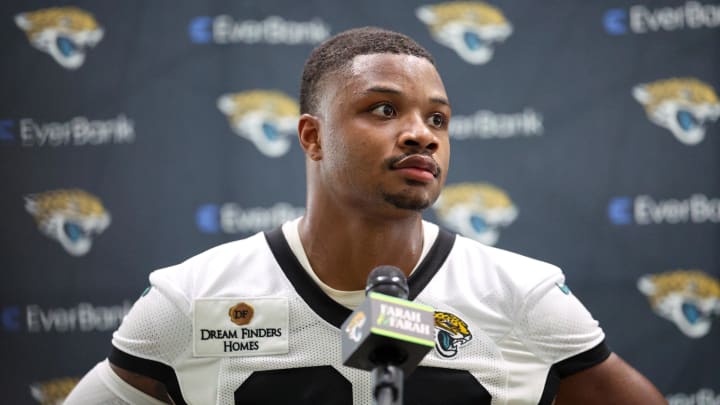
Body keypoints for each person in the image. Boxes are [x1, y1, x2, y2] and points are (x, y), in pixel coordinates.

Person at [66, 27, 667, 404]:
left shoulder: (522, 295)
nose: (421, 135)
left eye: (437, 119)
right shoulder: (191, 299)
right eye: (383, 109)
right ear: (312, 136)